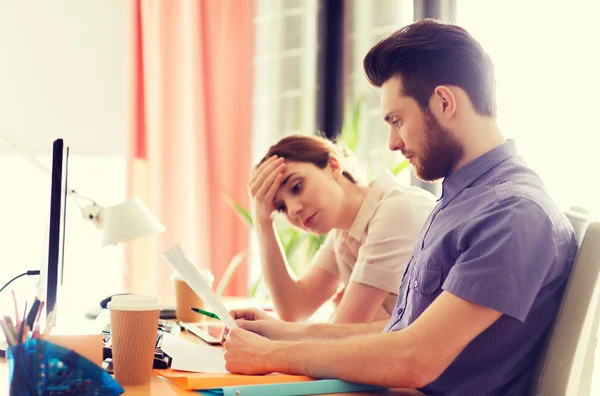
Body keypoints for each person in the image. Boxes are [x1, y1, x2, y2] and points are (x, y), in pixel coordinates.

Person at [221, 19, 577, 396]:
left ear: (444, 102)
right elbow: (401, 332)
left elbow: (414, 358)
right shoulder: (462, 201)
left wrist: (275, 354)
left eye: (397, 120)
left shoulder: (512, 213)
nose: (392, 142)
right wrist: (287, 334)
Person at [248, 134, 435, 323]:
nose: (293, 211)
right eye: (282, 208)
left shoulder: (394, 210)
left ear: (333, 166)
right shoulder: (344, 232)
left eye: (297, 187)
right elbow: (295, 309)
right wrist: (263, 222)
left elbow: (340, 332)